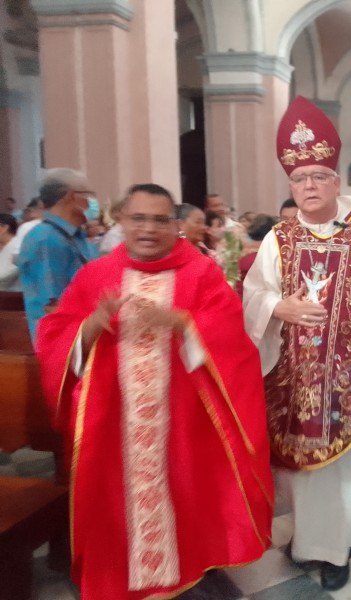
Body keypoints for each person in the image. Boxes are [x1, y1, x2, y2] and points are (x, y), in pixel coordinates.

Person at [35, 183, 274, 600]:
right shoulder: (96, 274)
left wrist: (182, 321)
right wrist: (93, 323)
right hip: (112, 422)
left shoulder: (201, 272)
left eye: (160, 220)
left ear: (175, 226)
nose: (149, 229)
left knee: (187, 498)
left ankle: (191, 572)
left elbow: (232, 337)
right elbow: (55, 336)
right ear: (121, 221)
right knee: (116, 507)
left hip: (184, 422)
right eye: (138, 218)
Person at [242, 96, 351, 591]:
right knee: (299, 470)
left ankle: (339, 549)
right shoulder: (280, 237)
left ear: (337, 181)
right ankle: (306, 543)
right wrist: (280, 308)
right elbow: (255, 292)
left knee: (345, 470)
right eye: (299, 180)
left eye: (318, 176)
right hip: (294, 376)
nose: (308, 187)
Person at [17, 168, 100, 337]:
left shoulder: (78, 237)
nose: (91, 202)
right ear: (70, 196)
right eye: (87, 195)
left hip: (88, 331)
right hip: (66, 340)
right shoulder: (45, 239)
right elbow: (53, 305)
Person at [0, 213, 20, 291]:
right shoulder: (5, 246)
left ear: (4, 228)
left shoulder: (17, 247)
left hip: (12, 296)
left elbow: (4, 275)